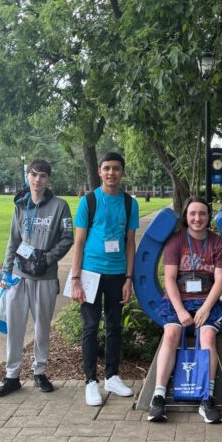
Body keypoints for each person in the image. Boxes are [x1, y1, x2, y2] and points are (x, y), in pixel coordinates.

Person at [0, 159, 74, 397]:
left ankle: (39, 372)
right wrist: (6, 271)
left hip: (46, 277)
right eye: (34, 174)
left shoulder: (60, 206)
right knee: (15, 326)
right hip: (19, 277)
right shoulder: (20, 205)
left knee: (41, 328)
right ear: (27, 177)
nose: (38, 179)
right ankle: (12, 376)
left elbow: (67, 237)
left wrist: (48, 258)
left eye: (43, 176)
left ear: (48, 180)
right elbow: (13, 240)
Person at [147, 197, 222, 425]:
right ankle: (159, 397)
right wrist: (181, 310)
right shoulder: (175, 242)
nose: (197, 218)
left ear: (208, 216)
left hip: (206, 301)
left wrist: (205, 307)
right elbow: (170, 279)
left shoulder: (217, 243)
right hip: (178, 301)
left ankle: (207, 398)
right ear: (186, 216)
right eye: (192, 213)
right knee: (171, 334)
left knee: (208, 336)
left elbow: (221, 279)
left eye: (202, 213)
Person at [71, 152, 140, 406]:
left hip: (117, 273)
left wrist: (129, 278)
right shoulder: (88, 202)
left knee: (114, 327)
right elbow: (79, 242)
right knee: (90, 327)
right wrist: (75, 278)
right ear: (100, 171)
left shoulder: (130, 203)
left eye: (116, 169)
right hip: (90, 273)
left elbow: (130, 243)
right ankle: (91, 381)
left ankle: (112, 376)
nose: (111, 173)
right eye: (107, 168)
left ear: (122, 172)